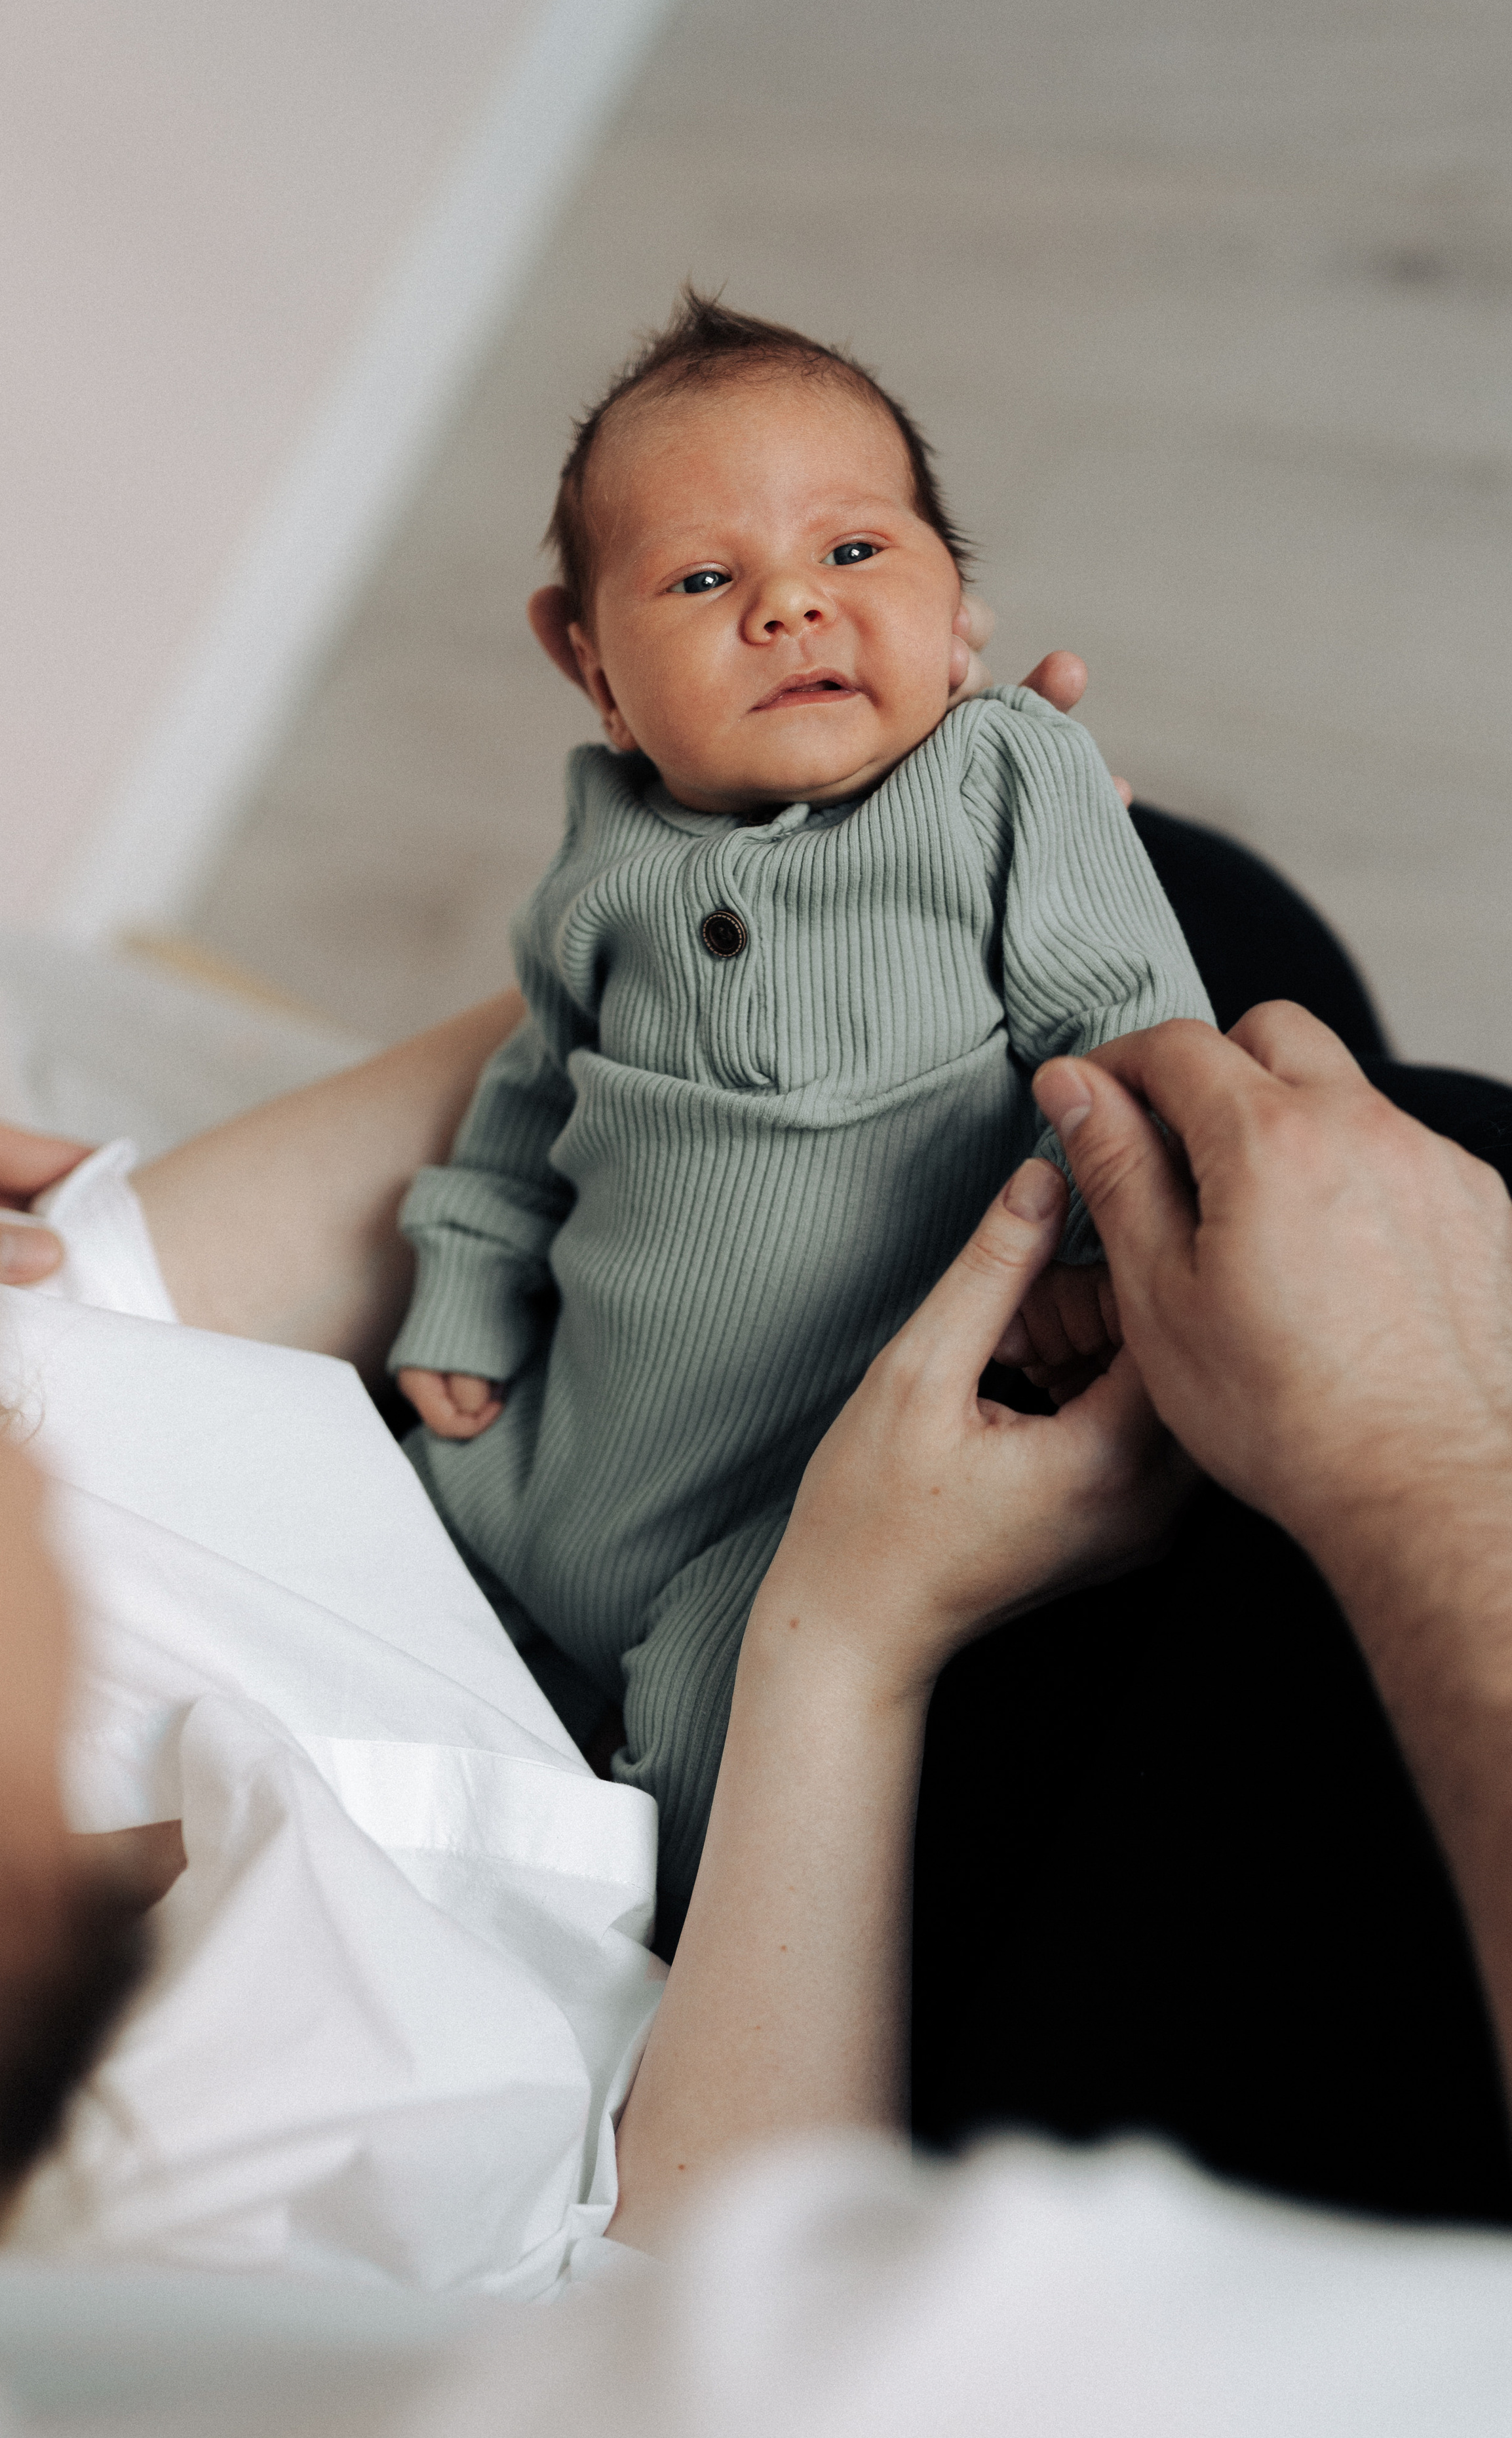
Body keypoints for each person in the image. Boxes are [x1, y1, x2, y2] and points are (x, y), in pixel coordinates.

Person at [5, 1005, 1512, 2438]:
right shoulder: (283, 2340)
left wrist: (793, 874)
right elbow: (711, 2336)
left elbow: (113, 1309)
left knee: (1121, 992)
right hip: (796, 1970)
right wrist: (1418, 1450)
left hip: (713, 1671)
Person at [385, 292, 1211, 1931]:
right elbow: (530, 1096)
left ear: (954, 603)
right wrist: (466, 1274)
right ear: (589, 663)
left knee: (727, 1733)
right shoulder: (601, 856)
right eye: (703, 582)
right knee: (375, 1585)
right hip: (551, 1449)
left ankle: (638, 1976)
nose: (788, 605)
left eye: (852, 552)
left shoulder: (1001, 777)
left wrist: (1086, 1249)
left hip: (797, 1500)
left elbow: (1124, 1025)